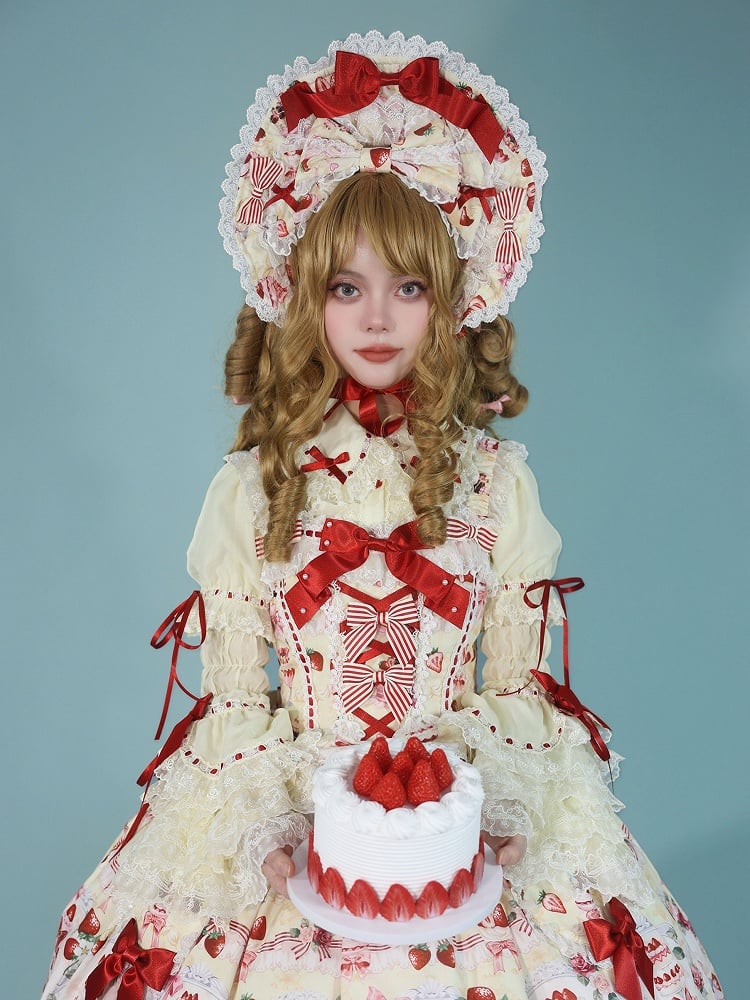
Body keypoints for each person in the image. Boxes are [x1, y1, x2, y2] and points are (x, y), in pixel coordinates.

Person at [41, 31, 722, 1000]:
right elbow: (236, 698)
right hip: (299, 832)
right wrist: (266, 831)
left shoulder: (497, 485)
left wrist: (490, 812)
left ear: (451, 300)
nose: (376, 318)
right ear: (304, 297)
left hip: (455, 826)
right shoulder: (253, 486)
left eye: (408, 287)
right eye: (346, 287)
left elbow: (516, 683)